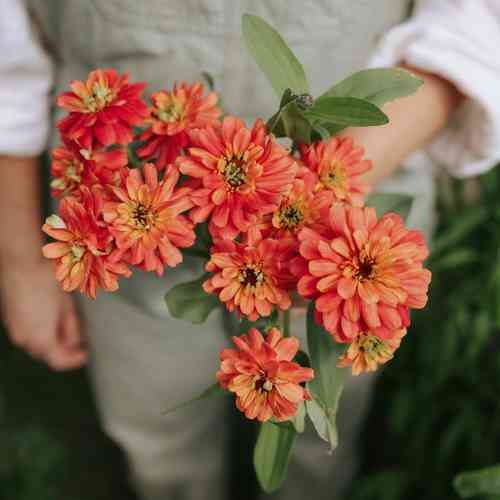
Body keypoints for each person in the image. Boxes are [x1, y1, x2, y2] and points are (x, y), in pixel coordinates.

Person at [1, 1, 499, 499]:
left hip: (361, 171)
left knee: (322, 429)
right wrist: (19, 257)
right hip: (125, 229)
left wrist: (330, 193)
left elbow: (479, 19)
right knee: (153, 417)